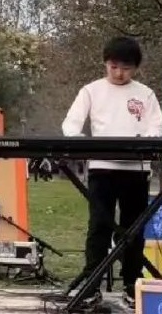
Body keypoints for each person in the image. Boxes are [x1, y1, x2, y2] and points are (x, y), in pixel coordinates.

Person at [62, 36, 162, 309]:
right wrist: (78, 141)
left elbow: (157, 127)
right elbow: (71, 124)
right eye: (114, 67)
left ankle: (132, 285)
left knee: (134, 230)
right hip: (102, 170)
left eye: (126, 68)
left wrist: (146, 141)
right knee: (99, 228)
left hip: (136, 170)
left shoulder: (145, 94)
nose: (119, 73)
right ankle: (92, 287)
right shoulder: (91, 91)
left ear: (136, 68)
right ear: (105, 63)